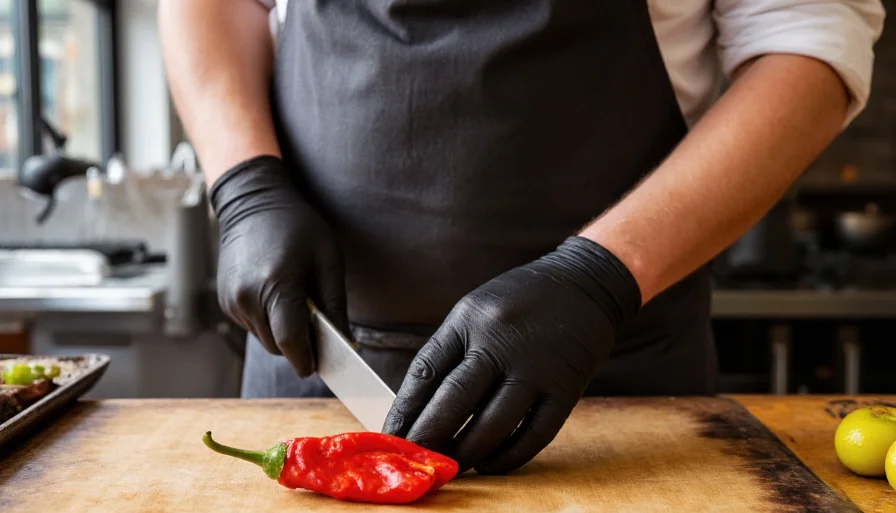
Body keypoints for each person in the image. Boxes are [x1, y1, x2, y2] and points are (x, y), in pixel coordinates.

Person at [159, 0, 885, 474]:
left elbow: (807, 41)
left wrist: (600, 275)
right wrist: (245, 185)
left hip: (613, 399)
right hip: (315, 371)